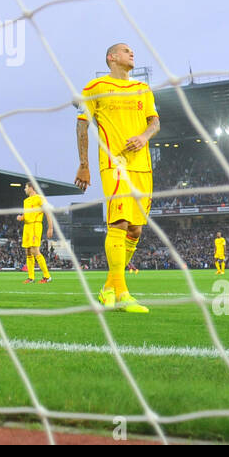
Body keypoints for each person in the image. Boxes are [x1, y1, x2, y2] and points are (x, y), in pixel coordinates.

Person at [74, 43, 158, 313]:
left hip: (142, 166)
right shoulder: (95, 87)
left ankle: (109, 286)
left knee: (135, 229)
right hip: (114, 163)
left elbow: (154, 122)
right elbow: (82, 124)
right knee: (119, 222)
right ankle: (122, 294)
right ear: (112, 58)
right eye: (125, 50)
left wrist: (143, 137)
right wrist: (84, 164)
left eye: (132, 51)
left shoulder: (142, 90)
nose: (131, 53)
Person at [16, 183, 53, 283]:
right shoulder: (26, 201)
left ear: (31, 188)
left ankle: (47, 276)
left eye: (26, 187)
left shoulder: (40, 198)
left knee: (35, 251)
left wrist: (50, 227)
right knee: (28, 251)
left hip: (35, 226)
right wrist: (21, 217)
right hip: (27, 227)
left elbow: (47, 212)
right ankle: (31, 277)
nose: (24, 189)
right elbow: (26, 214)